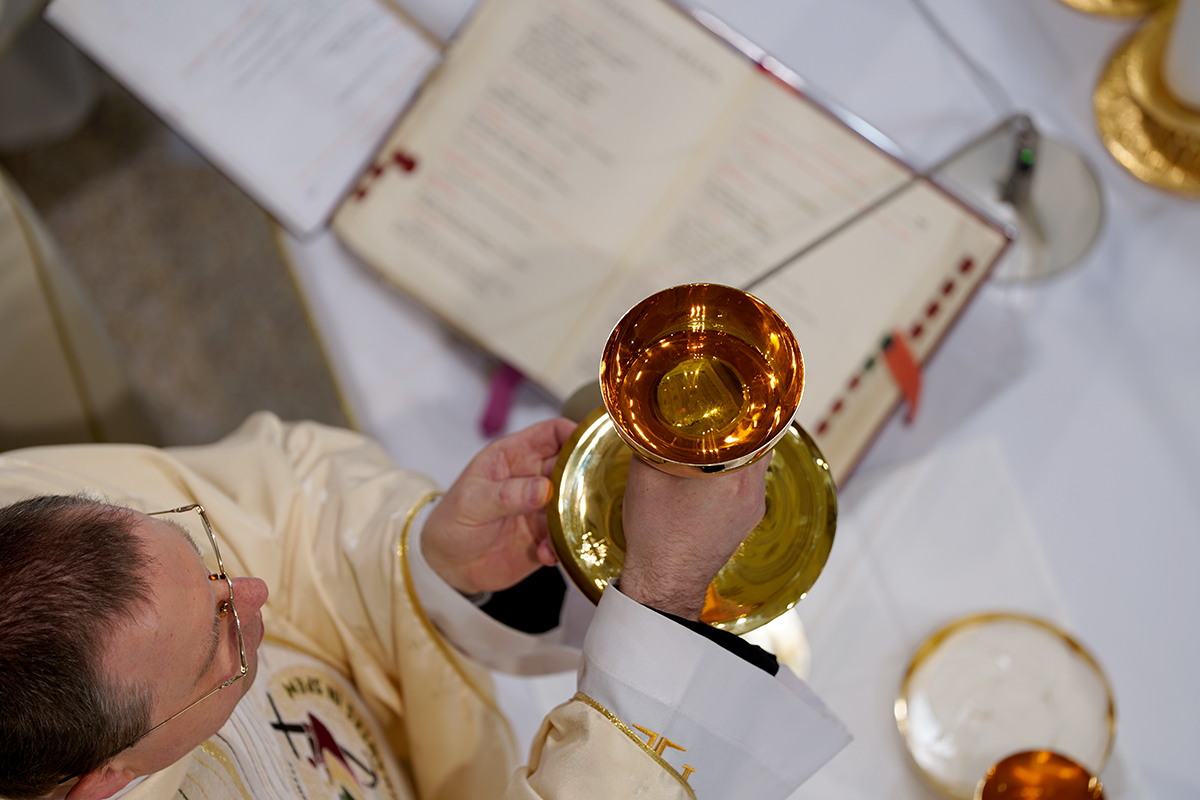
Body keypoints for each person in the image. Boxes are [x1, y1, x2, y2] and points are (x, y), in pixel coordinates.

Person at [0, 412, 848, 800]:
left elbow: (283, 508)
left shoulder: (24, 522)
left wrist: (428, 563)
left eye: (206, 561)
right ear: (106, 780)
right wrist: (661, 603)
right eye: (214, 651)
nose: (252, 594)